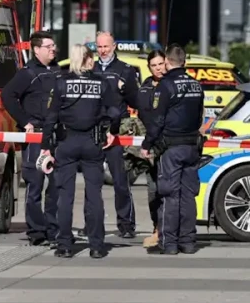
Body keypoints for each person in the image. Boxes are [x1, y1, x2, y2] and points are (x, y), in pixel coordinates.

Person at [40, 44, 121, 259]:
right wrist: (111, 131)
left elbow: (50, 118)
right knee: (94, 195)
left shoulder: (61, 83)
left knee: (65, 196)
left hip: (66, 142)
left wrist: (45, 146)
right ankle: (96, 245)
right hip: (92, 142)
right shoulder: (100, 83)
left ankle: (65, 244)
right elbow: (115, 111)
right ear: (86, 59)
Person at [142, 44, 205, 255]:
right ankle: (188, 242)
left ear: (167, 62)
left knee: (170, 195)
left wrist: (147, 144)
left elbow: (157, 120)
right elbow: (199, 118)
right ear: (184, 62)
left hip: (171, 148)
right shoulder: (197, 85)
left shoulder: (165, 86)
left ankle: (169, 243)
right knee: (188, 195)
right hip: (192, 147)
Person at [2, 31, 60, 247]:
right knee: (35, 184)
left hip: (55, 135)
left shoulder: (57, 71)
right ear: (36, 50)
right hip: (35, 135)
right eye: (48, 46)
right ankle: (36, 232)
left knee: (56, 184)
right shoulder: (27, 73)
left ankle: (54, 230)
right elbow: (8, 95)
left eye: (54, 46)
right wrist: (24, 120)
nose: (53, 49)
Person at [92, 31, 140, 239]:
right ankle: (92, 223)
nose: (102, 50)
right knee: (92, 182)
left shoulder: (126, 71)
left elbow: (135, 100)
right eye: (99, 47)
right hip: (93, 129)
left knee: (120, 181)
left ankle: (126, 224)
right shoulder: (90, 69)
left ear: (114, 46)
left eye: (106, 46)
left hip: (116, 132)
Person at [135, 50, 167, 249]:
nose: (158, 68)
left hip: (169, 144)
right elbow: (144, 114)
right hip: (152, 145)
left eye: (161, 64)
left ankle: (168, 230)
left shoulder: (170, 84)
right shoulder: (145, 87)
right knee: (153, 190)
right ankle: (157, 228)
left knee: (169, 190)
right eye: (154, 65)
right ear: (149, 68)